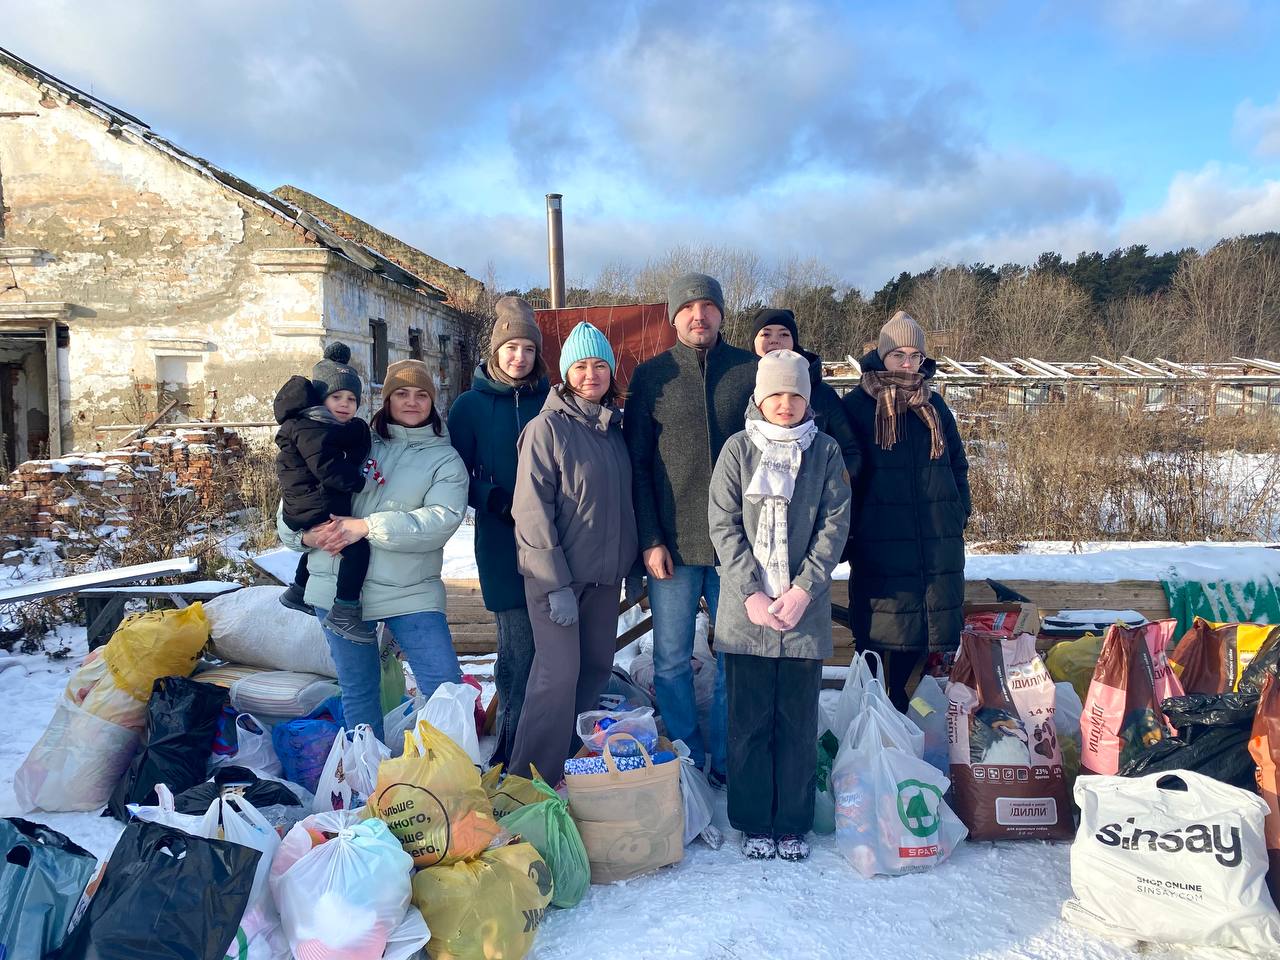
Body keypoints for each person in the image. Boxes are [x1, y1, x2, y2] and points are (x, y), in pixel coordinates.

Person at [277, 358, 470, 739]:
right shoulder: (349, 440)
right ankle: (368, 782)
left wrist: (366, 527)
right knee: (359, 694)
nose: (412, 402)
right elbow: (293, 501)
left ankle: (449, 779)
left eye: (421, 395)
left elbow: (440, 520)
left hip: (409, 591)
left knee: (445, 687)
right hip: (337, 592)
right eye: (401, 393)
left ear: (432, 402)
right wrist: (307, 537)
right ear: (386, 400)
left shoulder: (444, 459)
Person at [708, 349, 851, 862]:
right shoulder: (736, 451)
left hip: (802, 612)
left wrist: (801, 590)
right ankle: (752, 821)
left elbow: (834, 528)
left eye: (795, 394)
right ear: (759, 397)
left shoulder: (827, 453)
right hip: (746, 616)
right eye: (776, 394)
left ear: (808, 399)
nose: (785, 404)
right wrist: (750, 592)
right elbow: (723, 525)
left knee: (795, 723)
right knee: (748, 722)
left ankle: (792, 821)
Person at [624, 272, 756, 783]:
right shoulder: (652, 376)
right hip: (672, 548)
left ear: (722, 313)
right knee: (673, 659)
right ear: (673, 317)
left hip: (737, 547)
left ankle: (725, 759)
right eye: (688, 308)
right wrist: (650, 539)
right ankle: (685, 753)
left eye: (708, 306)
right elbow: (637, 464)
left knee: (733, 658)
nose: (698, 315)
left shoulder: (749, 370)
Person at [508, 322, 638, 782]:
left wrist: (633, 563)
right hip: (556, 581)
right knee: (557, 676)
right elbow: (530, 512)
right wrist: (553, 583)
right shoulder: (547, 429)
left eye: (599, 365)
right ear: (565, 374)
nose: (591, 374)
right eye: (580, 366)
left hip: (604, 579)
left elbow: (624, 504)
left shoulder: (612, 429)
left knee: (597, 667)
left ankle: (567, 762)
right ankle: (528, 779)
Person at [842, 311, 970, 711]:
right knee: (880, 635)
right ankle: (878, 725)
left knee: (925, 634)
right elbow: (846, 473)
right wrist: (855, 528)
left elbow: (958, 464)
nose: (908, 364)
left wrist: (958, 511)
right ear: (882, 356)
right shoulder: (858, 406)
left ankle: (903, 726)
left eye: (915, 355)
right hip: (881, 542)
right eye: (898, 354)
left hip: (935, 541)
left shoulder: (934, 406)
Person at [448, 296, 550, 767]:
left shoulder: (552, 400)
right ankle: (512, 740)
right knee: (516, 643)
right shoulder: (469, 407)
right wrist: (489, 496)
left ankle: (538, 734)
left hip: (552, 538)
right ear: (496, 350)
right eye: (511, 347)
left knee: (546, 644)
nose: (520, 357)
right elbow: (455, 473)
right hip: (499, 537)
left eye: (528, 349)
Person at [274, 342, 379, 643]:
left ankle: (297, 590)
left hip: (307, 503)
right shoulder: (311, 429)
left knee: (322, 542)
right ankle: (345, 609)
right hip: (311, 503)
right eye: (336, 397)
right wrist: (356, 481)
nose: (345, 403)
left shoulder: (318, 425)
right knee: (356, 550)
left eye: (351, 398)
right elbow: (326, 467)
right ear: (321, 399)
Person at [749, 307, 859, 474]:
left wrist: (828, 487)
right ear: (753, 342)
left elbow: (850, 453)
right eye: (766, 334)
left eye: (784, 334)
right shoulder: (739, 386)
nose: (775, 340)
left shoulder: (822, 394)